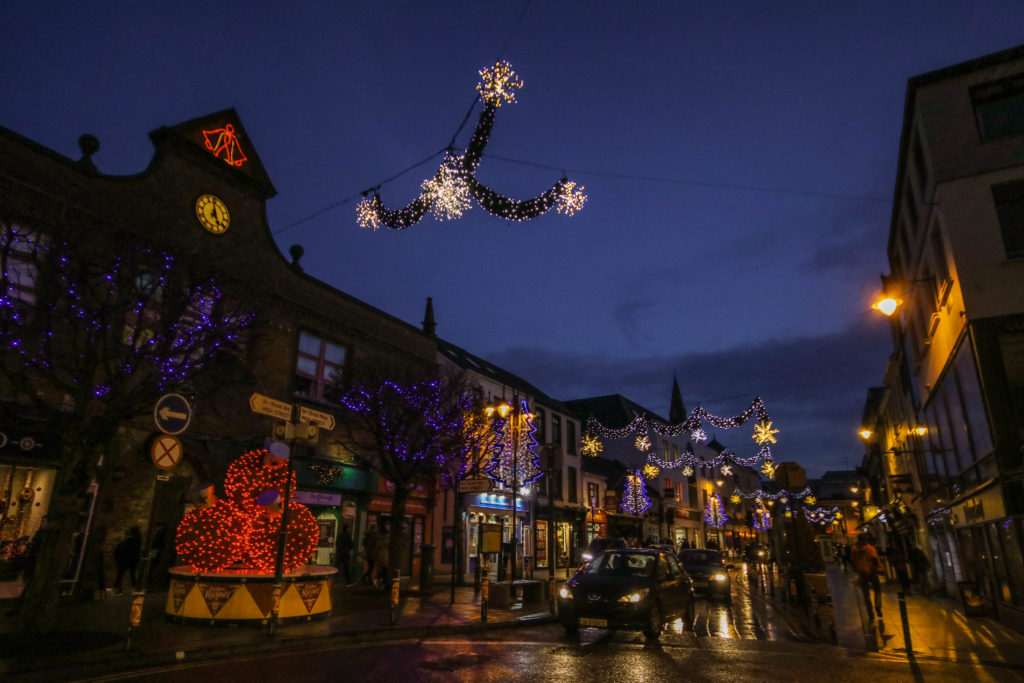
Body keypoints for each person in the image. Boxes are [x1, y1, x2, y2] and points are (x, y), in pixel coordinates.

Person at [851, 533, 883, 620]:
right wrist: (878, 567)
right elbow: (875, 558)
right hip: (872, 572)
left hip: (861, 573)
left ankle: (870, 613)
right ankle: (878, 606)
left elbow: (853, 560)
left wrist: (856, 568)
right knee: (877, 590)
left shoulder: (854, 549)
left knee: (866, 594)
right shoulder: (870, 548)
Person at [113, 526, 142, 595]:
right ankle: (134, 588)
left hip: (123, 560)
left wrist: (117, 559)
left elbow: (117, 551)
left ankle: (117, 588)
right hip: (132, 560)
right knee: (132, 574)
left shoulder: (125, 542)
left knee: (120, 574)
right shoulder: (138, 542)